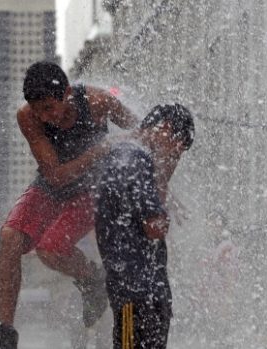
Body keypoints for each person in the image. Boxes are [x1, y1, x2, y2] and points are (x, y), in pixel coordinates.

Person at [0, 61, 138, 349]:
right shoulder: (28, 117)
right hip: (53, 185)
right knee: (9, 236)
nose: (45, 118)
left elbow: (142, 133)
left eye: (49, 108)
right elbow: (55, 176)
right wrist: (101, 150)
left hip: (92, 189)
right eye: (38, 110)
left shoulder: (98, 102)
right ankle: (5, 333)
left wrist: (157, 186)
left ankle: (92, 279)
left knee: (50, 249)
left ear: (67, 93)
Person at [95, 104, 195, 349]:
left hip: (136, 289)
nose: (173, 157)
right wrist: (163, 215)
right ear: (166, 129)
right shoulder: (135, 158)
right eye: (178, 149)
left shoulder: (124, 154)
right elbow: (154, 226)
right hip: (136, 290)